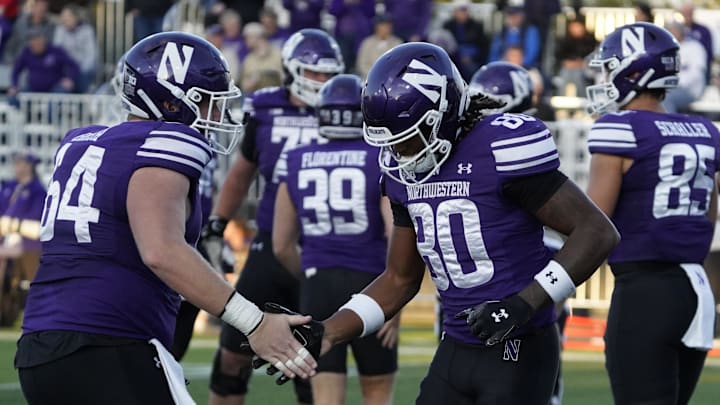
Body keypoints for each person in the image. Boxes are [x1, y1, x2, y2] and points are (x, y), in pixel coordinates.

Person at [14, 31, 318, 404]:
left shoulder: (81, 143)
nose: (218, 115)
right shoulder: (165, 142)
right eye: (208, 103)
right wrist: (253, 322)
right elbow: (161, 251)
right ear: (174, 104)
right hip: (108, 344)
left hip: (41, 349)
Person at [314, 42, 619, 404]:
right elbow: (399, 279)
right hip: (455, 345)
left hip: (518, 347)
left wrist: (524, 303)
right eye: (393, 142)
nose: (400, 153)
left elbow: (597, 232)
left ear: (442, 113)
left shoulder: (498, 147)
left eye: (408, 138)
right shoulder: (402, 175)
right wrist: (328, 331)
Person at [204, 28, 344, 405]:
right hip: (269, 243)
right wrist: (217, 222)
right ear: (292, 70)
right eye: (316, 73)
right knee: (232, 351)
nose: (324, 81)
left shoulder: (347, 110)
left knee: (310, 358)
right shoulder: (265, 108)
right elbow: (242, 171)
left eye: (330, 74)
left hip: (320, 248)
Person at [585, 22, 718, 404]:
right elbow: (709, 212)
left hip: (645, 292)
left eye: (611, 67)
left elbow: (594, 223)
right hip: (697, 291)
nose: (605, 77)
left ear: (633, 71)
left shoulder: (620, 129)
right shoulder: (704, 130)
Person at [273, 74, 399, 404]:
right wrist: (395, 301)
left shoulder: (297, 159)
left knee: (326, 396)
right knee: (377, 391)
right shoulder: (378, 157)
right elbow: (396, 232)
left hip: (318, 283)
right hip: (372, 284)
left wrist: (312, 273)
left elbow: (281, 244)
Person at [0, 152, 46, 326]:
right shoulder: (9, 187)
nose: (16, 166)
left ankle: (34, 313)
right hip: (7, 242)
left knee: (30, 261)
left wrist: (10, 226)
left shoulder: (38, 191)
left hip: (28, 244)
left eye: (19, 163)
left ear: (28, 166)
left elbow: (36, 226)